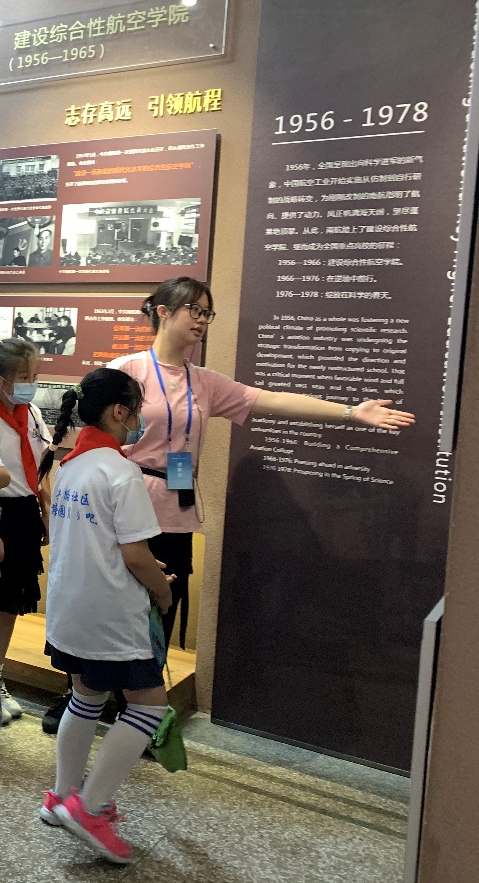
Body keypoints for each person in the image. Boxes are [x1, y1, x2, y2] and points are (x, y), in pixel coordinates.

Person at [108, 277, 415, 650]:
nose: (202, 320)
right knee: (117, 613)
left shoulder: (203, 382)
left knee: (161, 613)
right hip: (128, 507)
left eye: (207, 313)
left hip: (176, 507)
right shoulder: (125, 371)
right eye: (194, 310)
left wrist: (351, 412)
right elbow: (97, 442)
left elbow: (273, 400)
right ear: (163, 312)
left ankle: (148, 685)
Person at [38, 368, 173, 865]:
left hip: (71, 609)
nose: (139, 419)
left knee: (86, 696)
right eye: (136, 410)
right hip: (111, 616)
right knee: (149, 707)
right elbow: (136, 555)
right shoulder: (121, 471)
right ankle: (90, 808)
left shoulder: (72, 464)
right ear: (119, 412)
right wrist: (162, 591)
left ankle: (61, 797)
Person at [0, 338, 53, 724]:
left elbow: (40, 466)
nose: (31, 384)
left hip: (26, 511)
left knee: (12, 603)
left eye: (34, 376)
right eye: (23, 377)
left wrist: (46, 509)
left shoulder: (32, 412)